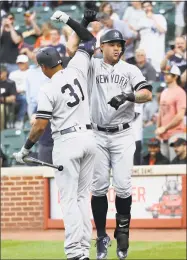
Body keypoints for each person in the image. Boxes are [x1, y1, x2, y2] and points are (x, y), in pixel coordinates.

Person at [67, 13, 152, 259]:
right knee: (99, 188)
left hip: (123, 134)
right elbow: (73, 49)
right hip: (96, 134)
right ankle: (102, 236)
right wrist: (82, 23)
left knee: (124, 186)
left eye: (120, 45)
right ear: (101, 46)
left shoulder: (130, 69)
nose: (117, 48)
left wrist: (128, 96)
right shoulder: (92, 64)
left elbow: (146, 93)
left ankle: (122, 233)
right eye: (112, 44)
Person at [13, 11, 97, 260]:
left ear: (41, 67)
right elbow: (90, 40)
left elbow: (39, 126)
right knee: (83, 198)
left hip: (67, 142)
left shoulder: (48, 88)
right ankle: (83, 248)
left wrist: (26, 149)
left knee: (70, 200)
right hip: (89, 139)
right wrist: (74, 21)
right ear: (60, 59)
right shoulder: (76, 69)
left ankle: (75, 252)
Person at [155, 65, 186, 161]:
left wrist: (164, 128)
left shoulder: (180, 92)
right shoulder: (164, 92)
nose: (165, 76)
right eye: (165, 74)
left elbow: (180, 116)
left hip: (176, 134)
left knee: (175, 164)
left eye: (168, 74)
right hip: (163, 135)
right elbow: (161, 112)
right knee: (164, 165)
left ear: (176, 76)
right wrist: (158, 129)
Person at [137, 1, 167, 72]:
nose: (147, 8)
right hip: (144, 51)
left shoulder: (160, 17)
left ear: (152, 7)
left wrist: (153, 19)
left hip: (157, 52)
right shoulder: (141, 20)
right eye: (144, 7)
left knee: (157, 73)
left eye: (148, 6)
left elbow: (163, 30)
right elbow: (139, 36)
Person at [9, 54, 29, 129]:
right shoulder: (13, 74)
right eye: (19, 63)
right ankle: (9, 121)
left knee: (24, 99)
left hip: (26, 94)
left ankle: (19, 120)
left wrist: (22, 90)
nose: (20, 65)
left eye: (22, 63)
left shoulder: (31, 72)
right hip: (14, 94)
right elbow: (9, 85)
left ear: (26, 63)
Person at [0, 64, 17, 130]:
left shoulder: (11, 83)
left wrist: (2, 99)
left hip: (5, 105)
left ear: (5, 72)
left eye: (0, 72)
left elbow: (12, 98)